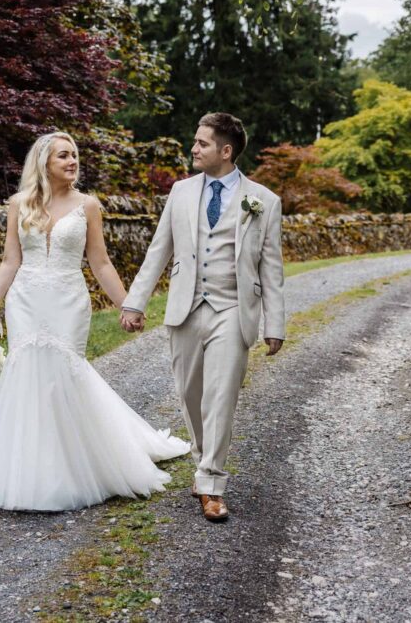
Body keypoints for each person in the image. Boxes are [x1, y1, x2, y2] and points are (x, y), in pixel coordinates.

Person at [0, 132, 190, 512]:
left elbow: (100, 263)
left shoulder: (88, 206)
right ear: (44, 163)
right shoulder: (19, 204)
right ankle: (30, 471)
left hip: (68, 298)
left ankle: (82, 464)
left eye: (74, 155)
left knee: (64, 373)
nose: (72, 161)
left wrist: (128, 306)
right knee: (27, 374)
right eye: (63, 156)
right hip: (26, 299)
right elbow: (9, 262)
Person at [120, 112, 286, 522]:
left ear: (225, 151)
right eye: (195, 142)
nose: (193, 149)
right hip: (186, 308)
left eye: (202, 144)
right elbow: (158, 250)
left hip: (233, 309)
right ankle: (201, 460)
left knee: (220, 398)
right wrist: (134, 301)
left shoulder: (264, 201)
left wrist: (275, 324)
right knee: (191, 397)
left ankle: (212, 482)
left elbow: (272, 269)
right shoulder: (180, 192)